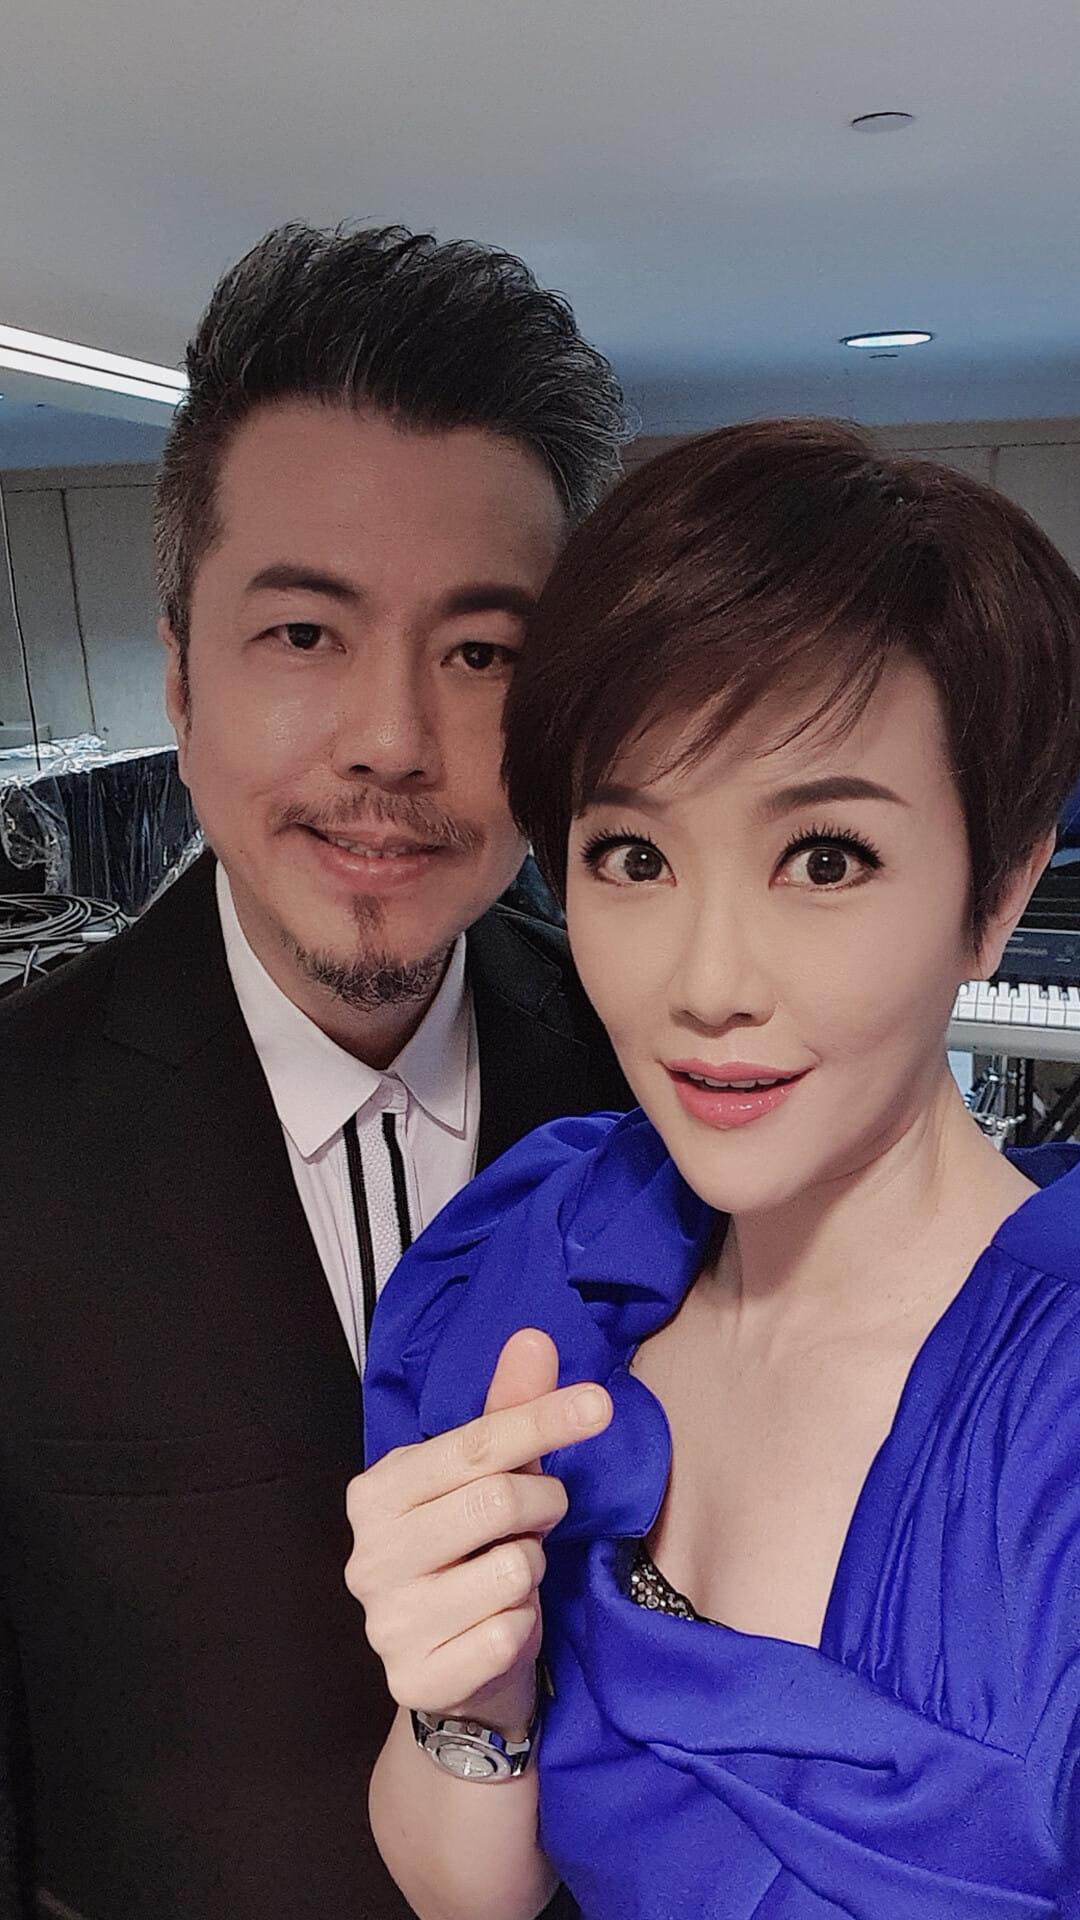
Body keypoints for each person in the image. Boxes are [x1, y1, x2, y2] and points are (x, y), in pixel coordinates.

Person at [351, 418, 1080, 1919]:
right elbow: (471, 1893)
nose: (707, 983)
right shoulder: (543, 1260)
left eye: (825, 858)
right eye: (633, 856)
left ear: (998, 893)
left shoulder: (1052, 1427)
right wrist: (468, 1704)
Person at [0, 223, 631, 1920]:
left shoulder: (659, 1100)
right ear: (181, 681)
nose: (395, 742)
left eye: (482, 653)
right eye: (303, 634)